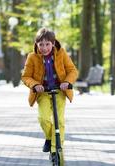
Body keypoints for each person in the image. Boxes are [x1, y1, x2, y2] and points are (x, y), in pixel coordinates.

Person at [21, 28, 78, 157]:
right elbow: (25, 77)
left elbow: (72, 70)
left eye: (47, 44)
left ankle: (55, 149)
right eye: (41, 44)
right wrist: (35, 85)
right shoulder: (32, 57)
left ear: (53, 43)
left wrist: (67, 82)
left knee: (60, 121)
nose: (44, 48)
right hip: (43, 92)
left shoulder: (61, 53)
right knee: (43, 118)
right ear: (36, 44)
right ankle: (49, 137)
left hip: (60, 91)